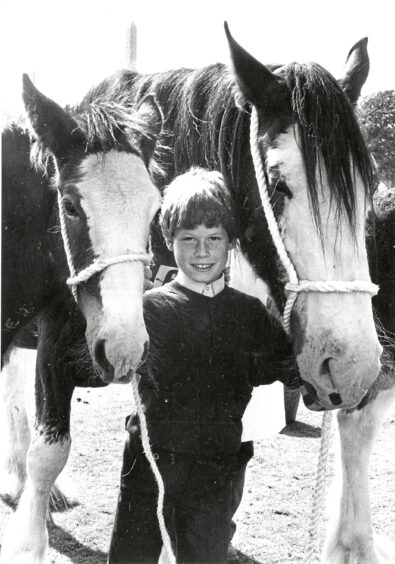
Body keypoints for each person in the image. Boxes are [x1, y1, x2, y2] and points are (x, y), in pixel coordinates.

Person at [108, 167, 300, 564]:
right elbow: (107, 363)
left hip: (215, 475)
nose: (201, 252)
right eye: (188, 239)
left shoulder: (250, 315)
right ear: (168, 240)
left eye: (214, 239)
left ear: (231, 242)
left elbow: (293, 369)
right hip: (148, 469)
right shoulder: (147, 309)